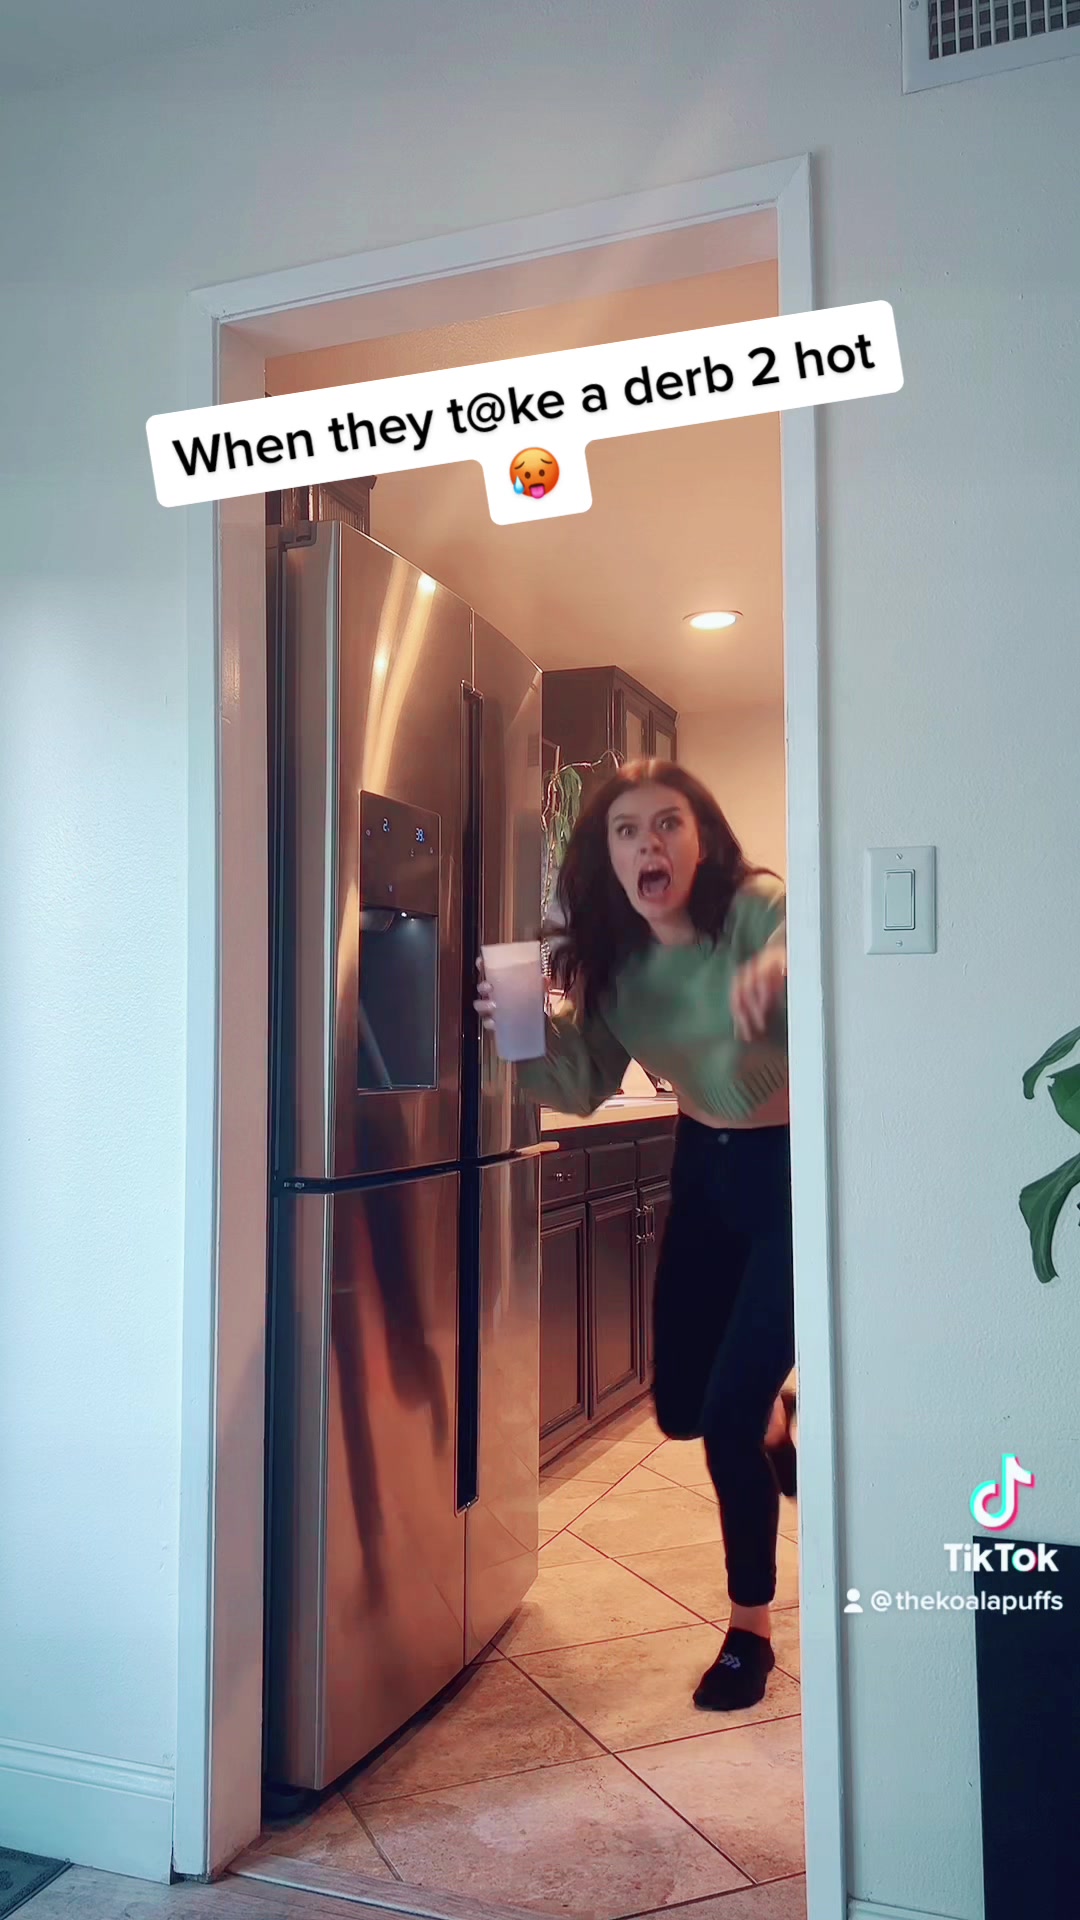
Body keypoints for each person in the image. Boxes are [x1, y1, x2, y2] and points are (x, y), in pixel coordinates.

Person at [475, 759, 796, 1711]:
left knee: (724, 1420)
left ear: (702, 838)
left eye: (668, 824)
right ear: (605, 854)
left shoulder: (753, 909)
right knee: (684, 1406)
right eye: (626, 830)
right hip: (703, 1168)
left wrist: (784, 969)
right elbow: (578, 1086)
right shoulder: (612, 965)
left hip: (790, 1171)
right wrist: (517, 1033)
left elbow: (805, 944)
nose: (648, 844)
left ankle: (748, 1630)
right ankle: (775, 1420)